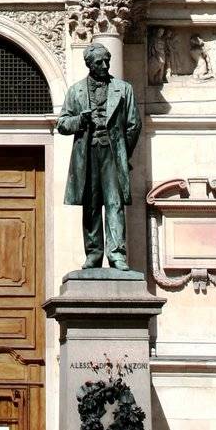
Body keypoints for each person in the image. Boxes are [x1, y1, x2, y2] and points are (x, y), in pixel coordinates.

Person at [57, 43, 141, 270]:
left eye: (107, 61)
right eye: (99, 62)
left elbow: (133, 125)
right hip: (87, 154)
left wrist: (124, 153)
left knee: (114, 203)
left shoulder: (124, 89)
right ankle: (93, 253)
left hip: (113, 154)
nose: (104, 66)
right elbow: (62, 124)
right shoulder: (75, 91)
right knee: (91, 204)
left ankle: (117, 254)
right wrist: (80, 121)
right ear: (88, 64)